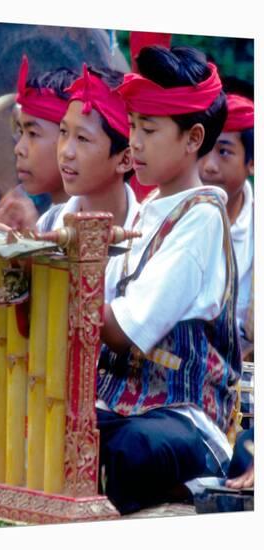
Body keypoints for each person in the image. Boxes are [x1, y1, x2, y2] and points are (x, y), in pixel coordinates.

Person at [96, 45, 242, 515]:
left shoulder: (202, 217)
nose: (133, 142)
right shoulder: (148, 214)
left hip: (186, 418)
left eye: (149, 129)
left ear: (193, 137)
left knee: (131, 450)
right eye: (133, 126)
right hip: (121, 408)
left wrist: (57, 290)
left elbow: (121, 331)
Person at [37, 64, 139, 302]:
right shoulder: (49, 223)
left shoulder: (146, 239)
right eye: (63, 132)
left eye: (82, 138)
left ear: (125, 159)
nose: (66, 152)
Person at [198, 91, 254, 358]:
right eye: (204, 150)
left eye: (224, 152)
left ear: (252, 163)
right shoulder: (177, 213)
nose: (208, 166)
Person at [0, 55, 78, 230]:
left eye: (32, 133)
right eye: (21, 132)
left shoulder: (94, 230)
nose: (18, 149)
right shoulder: (47, 220)